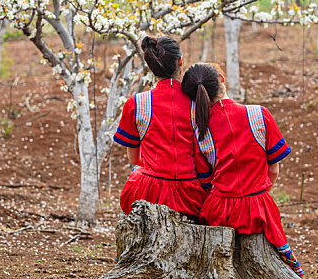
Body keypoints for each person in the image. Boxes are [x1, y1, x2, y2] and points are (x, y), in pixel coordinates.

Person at [181, 63, 305, 277]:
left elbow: (205, 181)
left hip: (217, 211)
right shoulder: (259, 115)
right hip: (257, 209)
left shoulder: (200, 131)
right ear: (221, 78)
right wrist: (257, 194)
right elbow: (273, 169)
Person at [113, 36, 207, 218]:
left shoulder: (137, 103)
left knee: (137, 172)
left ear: (149, 67)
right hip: (191, 196)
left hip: (147, 194)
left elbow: (134, 157)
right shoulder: (200, 102)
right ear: (181, 61)